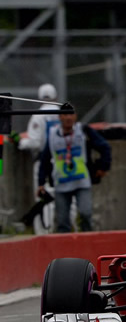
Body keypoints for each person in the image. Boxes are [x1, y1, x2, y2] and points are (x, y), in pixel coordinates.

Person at [37, 107, 111, 232]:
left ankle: (87, 241)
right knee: (62, 221)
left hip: (82, 181)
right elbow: (44, 160)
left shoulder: (83, 131)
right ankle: (64, 248)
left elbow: (104, 147)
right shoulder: (52, 135)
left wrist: (104, 167)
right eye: (65, 115)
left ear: (75, 116)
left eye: (71, 114)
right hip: (61, 183)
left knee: (85, 213)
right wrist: (41, 182)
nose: (68, 118)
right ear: (60, 117)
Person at [17, 84, 61, 234]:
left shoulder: (39, 115)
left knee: (43, 197)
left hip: (44, 161)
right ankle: (66, 230)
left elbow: (35, 142)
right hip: (63, 161)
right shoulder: (63, 112)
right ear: (55, 96)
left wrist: (20, 142)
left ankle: (44, 232)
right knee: (65, 196)